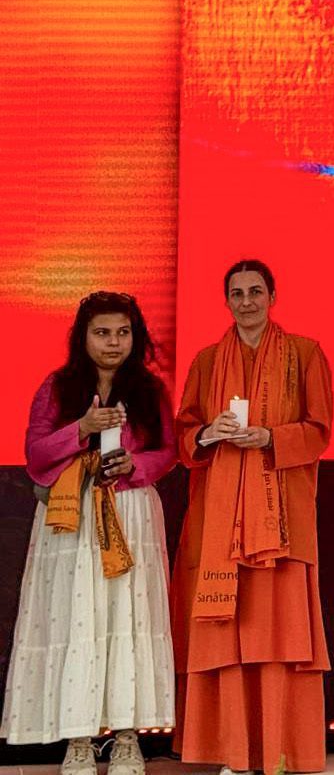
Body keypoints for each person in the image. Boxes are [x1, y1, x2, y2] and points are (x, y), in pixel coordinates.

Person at [2, 291, 177, 775]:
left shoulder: (150, 389)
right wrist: (82, 427)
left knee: (128, 618)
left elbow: (168, 452)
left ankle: (127, 740)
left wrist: (135, 464)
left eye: (123, 332)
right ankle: (78, 741)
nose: (113, 342)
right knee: (74, 618)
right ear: (82, 337)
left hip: (130, 513)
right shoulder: (58, 386)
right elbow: (36, 454)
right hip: (72, 517)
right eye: (102, 333)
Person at [171, 259, 334, 775]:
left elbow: (320, 431)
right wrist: (208, 433)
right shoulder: (205, 361)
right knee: (226, 637)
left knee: (278, 636)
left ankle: (281, 751)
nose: (247, 302)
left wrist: (269, 437)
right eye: (237, 293)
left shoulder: (305, 354)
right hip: (219, 526)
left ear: (272, 296)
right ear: (226, 301)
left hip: (281, 523)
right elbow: (184, 438)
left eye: (256, 291)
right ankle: (232, 753)